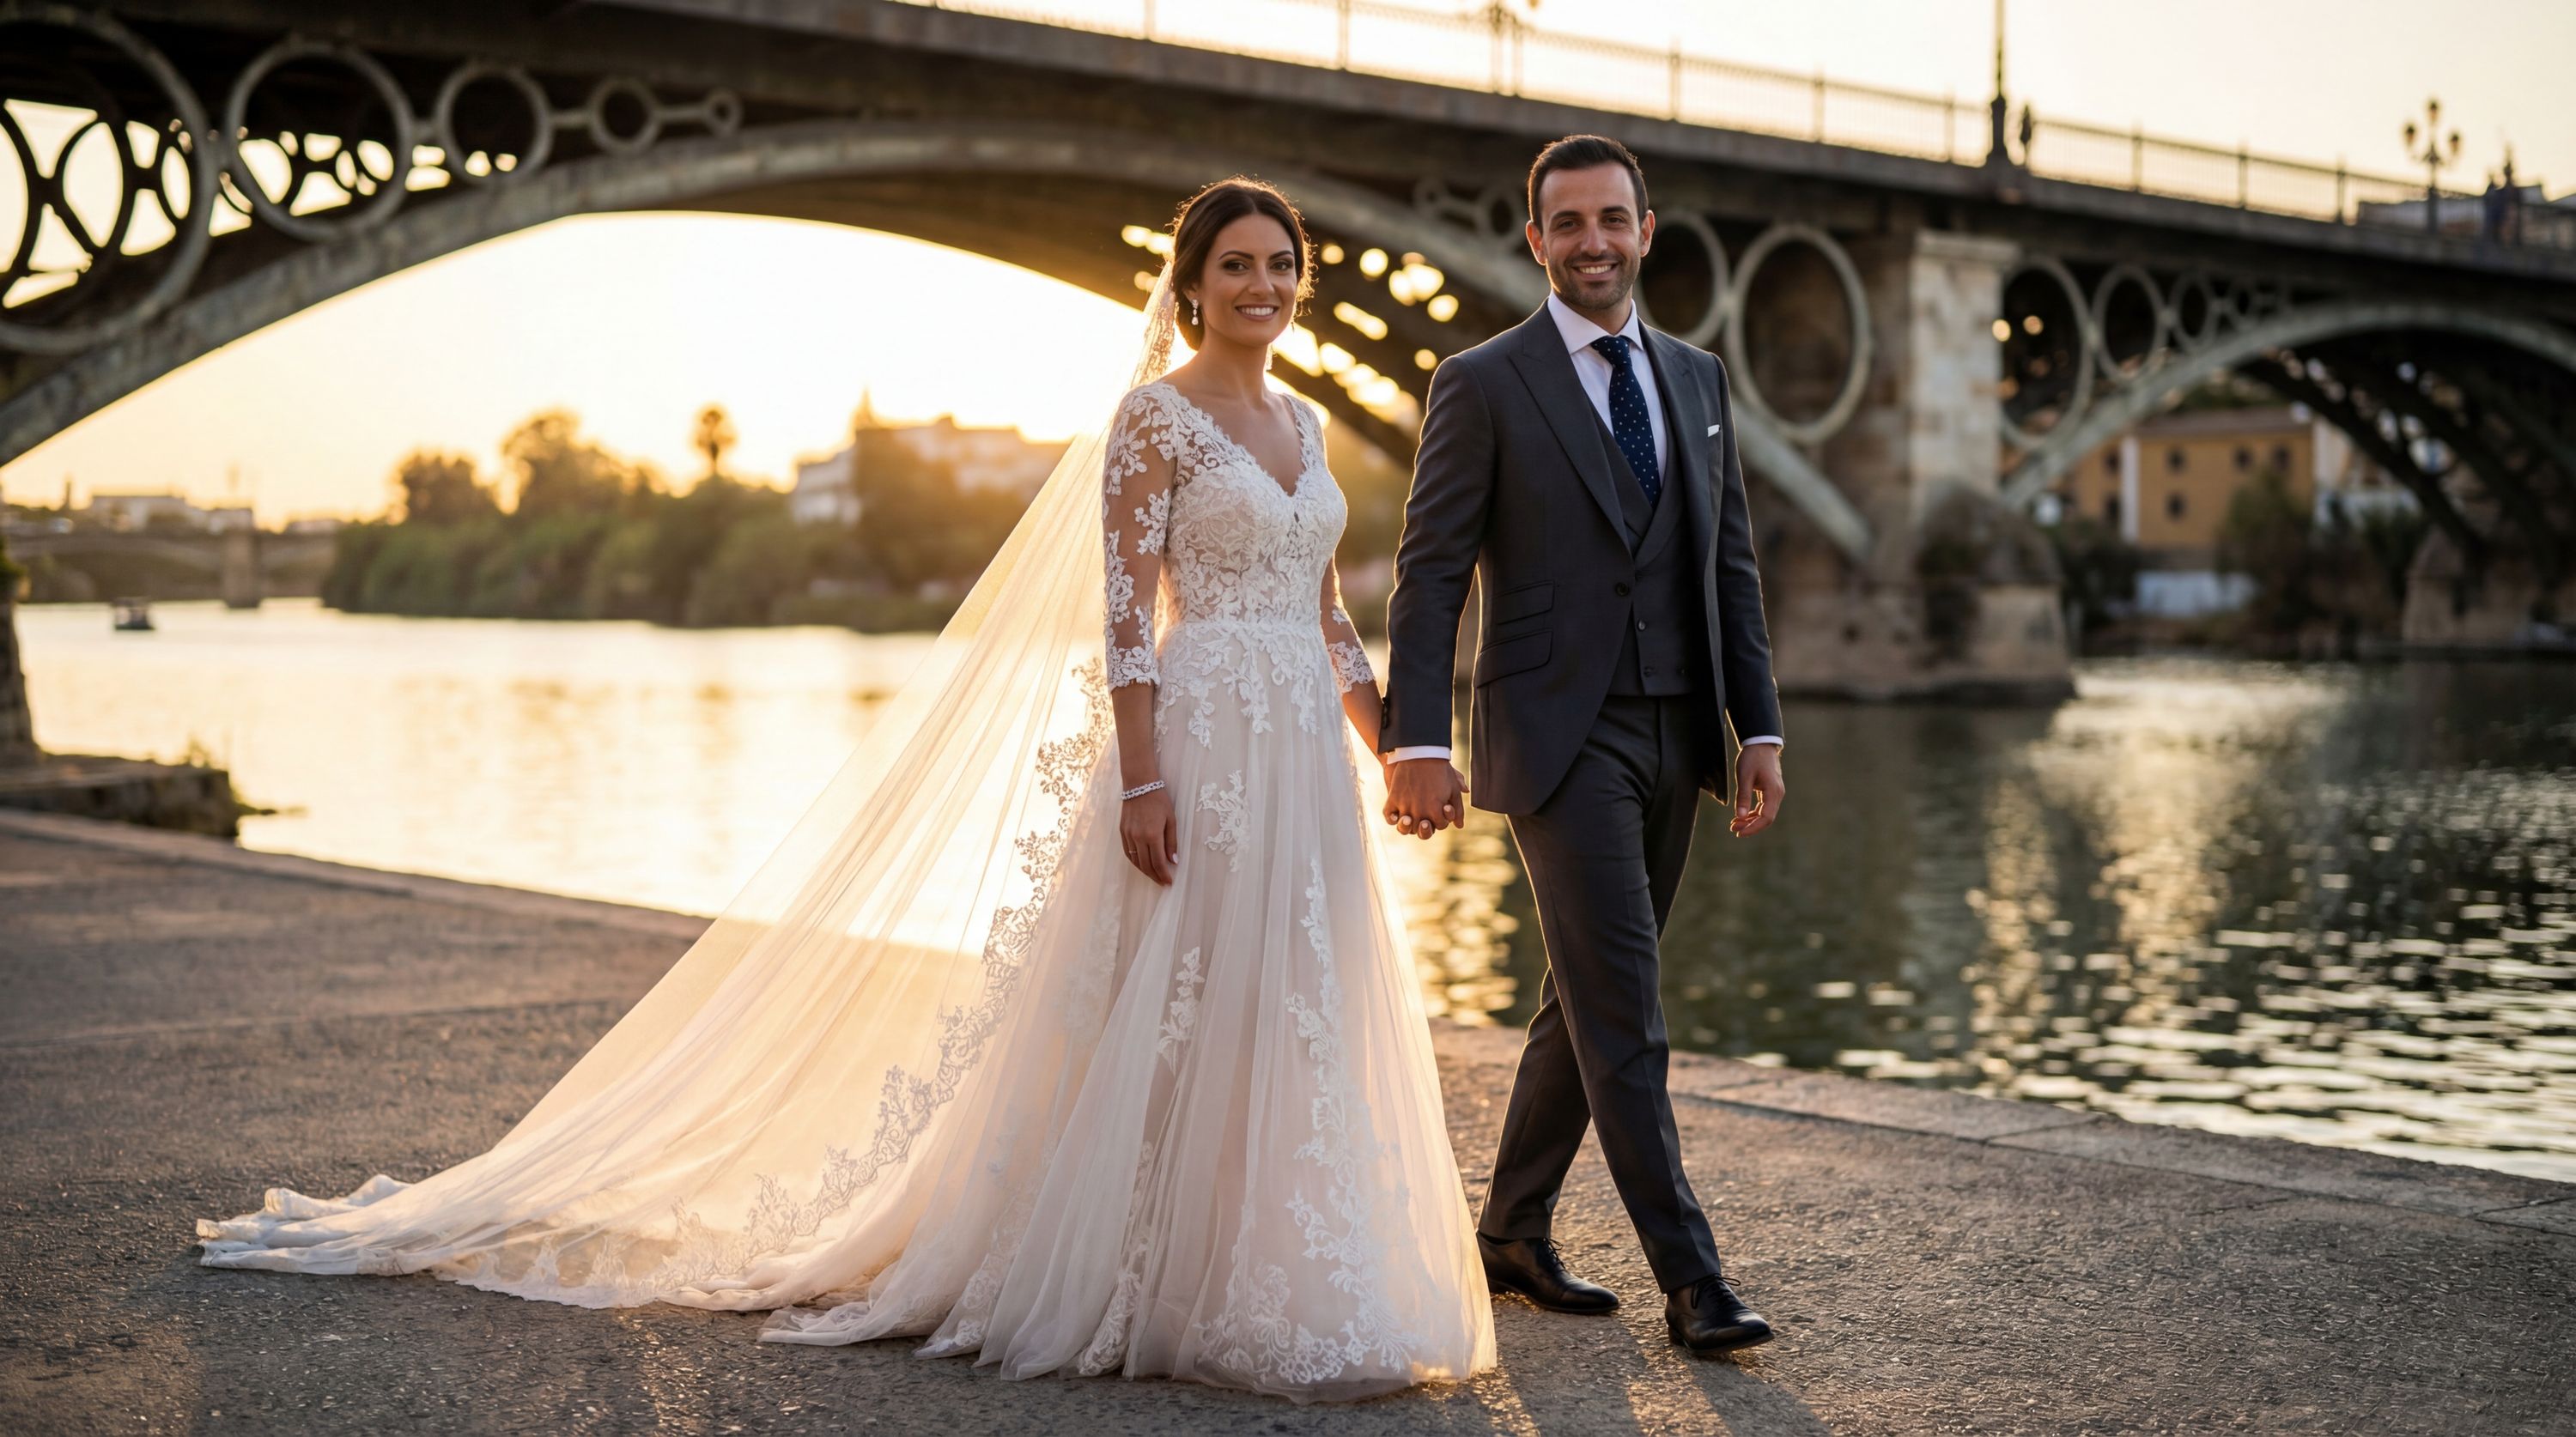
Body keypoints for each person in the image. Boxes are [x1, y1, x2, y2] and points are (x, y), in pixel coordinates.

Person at [197, 177, 1496, 1404]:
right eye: (1235, 267)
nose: (1260, 285)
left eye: (1280, 266)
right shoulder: (1153, 418)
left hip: (1302, 765)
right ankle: (1144, 1269)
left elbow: (1328, 617)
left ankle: (1271, 1259)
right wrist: (1142, 776)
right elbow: (1122, 618)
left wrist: (1394, 744)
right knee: (1177, 1005)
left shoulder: (1309, 425)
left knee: (1292, 1003)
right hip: (1200, 743)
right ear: (1192, 285)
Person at [1379, 134, 1788, 1357]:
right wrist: (1415, 738)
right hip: (1560, 738)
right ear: (1536, 239)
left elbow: (1731, 565)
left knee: (1586, 995)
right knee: (1629, 1011)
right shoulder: (1484, 382)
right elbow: (1430, 570)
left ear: (1646, 230)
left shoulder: (1700, 381)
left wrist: (1755, 725)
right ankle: (1694, 1279)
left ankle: (1510, 1226)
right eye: (1569, 223)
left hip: (1680, 727)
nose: (1593, 242)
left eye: (1614, 219)